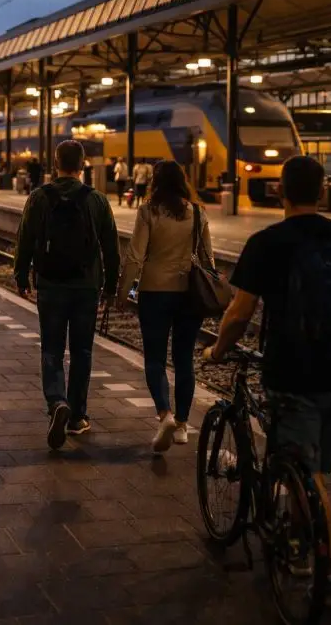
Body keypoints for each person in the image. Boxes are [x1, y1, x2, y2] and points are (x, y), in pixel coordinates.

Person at [204, 155, 331, 613]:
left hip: (294, 371)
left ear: (279, 191)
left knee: (309, 475)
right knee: (317, 471)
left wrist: (216, 351)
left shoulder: (268, 242)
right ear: (322, 193)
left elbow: (240, 314)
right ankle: (303, 548)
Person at [14, 140, 120, 450]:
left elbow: (25, 239)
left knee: (52, 348)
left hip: (50, 284)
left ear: (55, 162)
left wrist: (21, 275)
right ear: (83, 163)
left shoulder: (38, 197)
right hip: (86, 287)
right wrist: (112, 287)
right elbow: (112, 248)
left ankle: (57, 401)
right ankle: (77, 417)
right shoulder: (97, 200)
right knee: (82, 351)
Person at [117, 160, 211, 451]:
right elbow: (208, 260)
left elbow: (135, 256)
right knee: (184, 359)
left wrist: (122, 292)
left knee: (155, 358)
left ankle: (164, 413)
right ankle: (182, 425)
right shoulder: (197, 212)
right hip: (188, 295)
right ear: (183, 181)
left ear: (155, 181)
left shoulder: (148, 212)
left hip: (155, 292)